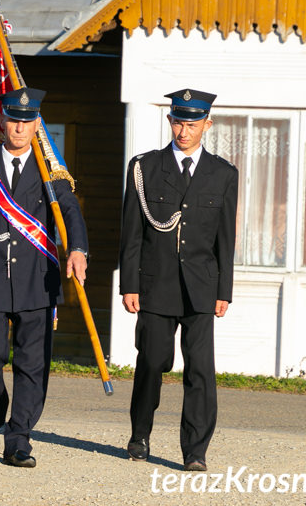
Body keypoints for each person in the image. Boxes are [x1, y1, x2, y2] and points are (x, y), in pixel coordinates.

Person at [0, 88, 88, 468]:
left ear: (37, 123)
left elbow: (72, 214)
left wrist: (78, 249)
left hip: (36, 280)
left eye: (28, 121)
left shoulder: (50, 170)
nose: (20, 127)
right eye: (13, 119)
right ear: (3, 121)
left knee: (32, 364)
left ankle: (19, 437)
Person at [119, 88, 238, 472]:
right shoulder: (145, 168)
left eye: (192, 123)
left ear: (208, 123)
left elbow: (225, 238)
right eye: (178, 122)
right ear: (169, 122)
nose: (184, 131)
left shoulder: (223, 174)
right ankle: (140, 434)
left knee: (200, 370)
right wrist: (130, 284)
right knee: (152, 362)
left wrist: (224, 291)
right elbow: (132, 232)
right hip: (156, 285)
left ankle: (195, 450)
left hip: (201, 287)